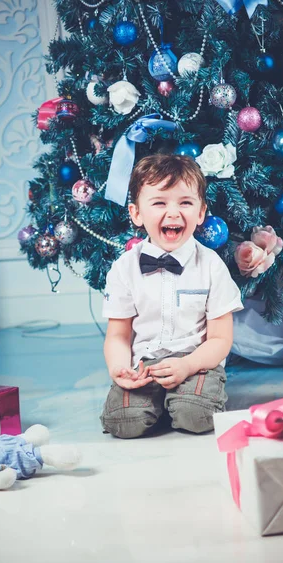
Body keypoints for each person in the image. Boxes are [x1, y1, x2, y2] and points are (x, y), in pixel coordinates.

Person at [101, 154, 243, 439]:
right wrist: (119, 368)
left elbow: (220, 339)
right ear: (136, 213)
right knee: (123, 422)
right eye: (159, 203)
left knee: (197, 416)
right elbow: (118, 335)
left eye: (185, 202)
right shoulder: (124, 268)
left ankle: (184, 400)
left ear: (201, 212)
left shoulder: (211, 266)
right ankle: (158, 403)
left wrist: (188, 365)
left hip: (196, 362)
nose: (174, 213)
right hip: (145, 363)